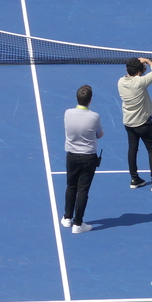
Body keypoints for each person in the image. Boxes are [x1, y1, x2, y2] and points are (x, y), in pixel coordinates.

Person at [118, 57, 152, 192]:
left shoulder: (120, 81)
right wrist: (147, 60)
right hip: (143, 123)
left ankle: (134, 179)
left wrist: (139, 67)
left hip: (129, 123)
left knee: (132, 149)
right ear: (139, 71)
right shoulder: (140, 82)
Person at [62, 85, 103, 234]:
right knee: (83, 190)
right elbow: (99, 134)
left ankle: (67, 218)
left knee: (71, 186)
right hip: (88, 158)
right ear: (90, 100)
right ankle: (78, 224)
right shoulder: (94, 116)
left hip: (72, 156)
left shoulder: (67, 113)